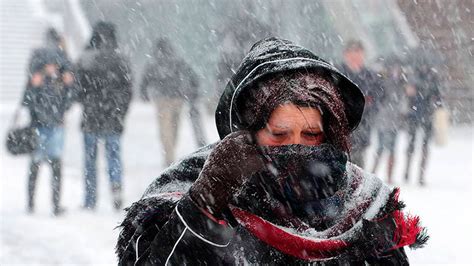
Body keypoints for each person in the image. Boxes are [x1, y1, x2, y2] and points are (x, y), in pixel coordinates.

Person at [116, 38, 427, 264]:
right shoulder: (198, 186)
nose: (297, 147)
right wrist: (203, 204)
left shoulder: (363, 205)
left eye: (311, 134)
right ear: (247, 136)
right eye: (279, 134)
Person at [76, 21, 133, 210]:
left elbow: (77, 90)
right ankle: (116, 193)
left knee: (90, 161)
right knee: (114, 158)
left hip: (91, 116)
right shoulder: (120, 60)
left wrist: (88, 102)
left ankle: (90, 199)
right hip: (112, 117)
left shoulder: (85, 59)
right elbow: (128, 91)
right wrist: (120, 112)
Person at [23, 28, 75, 216]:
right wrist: (35, 85)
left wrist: (67, 84)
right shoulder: (40, 74)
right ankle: (37, 204)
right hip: (44, 124)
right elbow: (27, 99)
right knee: (42, 164)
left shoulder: (60, 74)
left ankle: (47, 204)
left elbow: (69, 100)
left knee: (49, 165)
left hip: (51, 124)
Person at [140, 38, 207, 166]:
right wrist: (193, 89)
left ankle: (168, 153)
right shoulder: (176, 61)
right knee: (172, 128)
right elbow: (192, 74)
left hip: (168, 99)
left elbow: (145, 78)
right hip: (173, 99)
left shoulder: (156, 62)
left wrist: (144, 92)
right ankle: (169, 156)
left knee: (167, 129)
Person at [338, 40, 384, 169]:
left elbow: (379, 98)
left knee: (358, 167)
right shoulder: (336, 73)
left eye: (358, 52)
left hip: (362, 126)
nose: (355, 56)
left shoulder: (371, 76)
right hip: (340, 129)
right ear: (345, 54)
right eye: (351, 52)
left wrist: (368, 108)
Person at [404, 60, 442, 186]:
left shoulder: (431, 79)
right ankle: (408, 171)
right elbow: (407, 95)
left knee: (423, 146)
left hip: (425, 115)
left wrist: (434, 103)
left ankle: (419, 175)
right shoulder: (415, 78)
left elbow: (439, 99)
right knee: (413, 145)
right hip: (416, 115)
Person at [372, 57, 407, 183]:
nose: (395, 70)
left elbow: (403, 101)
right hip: (383, 118)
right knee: (380, 148)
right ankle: (373, 173)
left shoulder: (402, 82)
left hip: (394, 120)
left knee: (392, 149)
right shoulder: (382, 80)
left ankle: (389, 176)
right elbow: (378, 96)